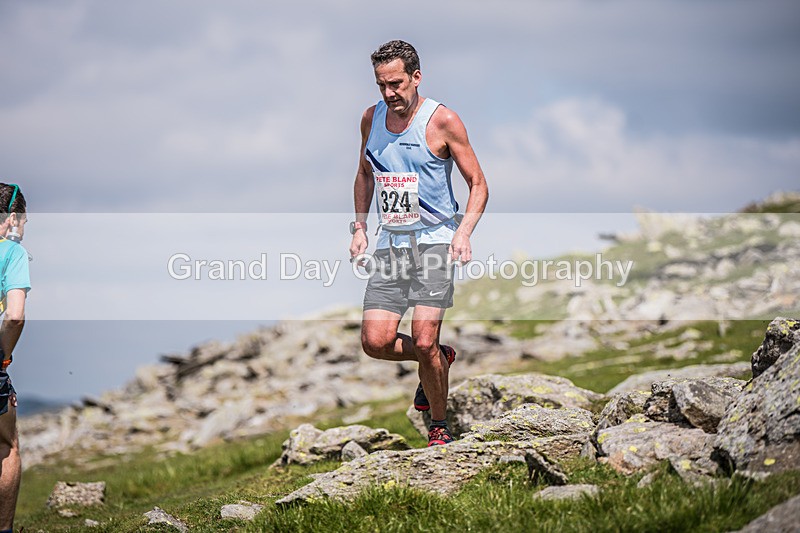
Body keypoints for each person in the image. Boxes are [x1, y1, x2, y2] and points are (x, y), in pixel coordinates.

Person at [349, 41, 488, 447]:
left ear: (416, 77)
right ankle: (438, 359)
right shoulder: (370, 119)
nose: (390, 94)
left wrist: (463, 232)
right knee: (375, 342)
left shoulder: (443, 120)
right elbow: (364, 173)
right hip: (392, 243)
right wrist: (359, 226)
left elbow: (478, 184)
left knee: (423, 337)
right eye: (381, 85)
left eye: (396, 84)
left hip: (436, 242)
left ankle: (439, 428)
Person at [0, 183, 31, 533]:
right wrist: (3, 359)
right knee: (7, 446)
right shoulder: (11, 252)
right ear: (11, 218)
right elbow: (15, 315)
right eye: (23, 222)